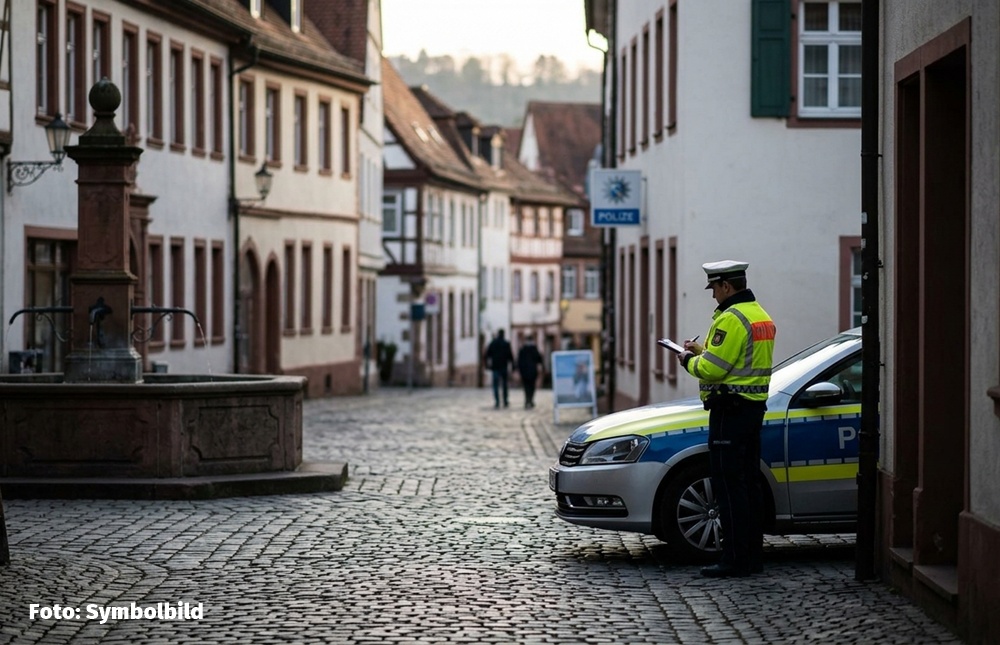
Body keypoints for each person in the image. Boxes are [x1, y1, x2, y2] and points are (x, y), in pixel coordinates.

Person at [676, 260, 775, 578]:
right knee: (748, 485)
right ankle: (752, 556)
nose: (713, 296)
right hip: (752, 408)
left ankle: (733, 559)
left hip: (729, 411)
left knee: (728, 485)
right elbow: (738, 359)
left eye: (715, 289)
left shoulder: (731, 318)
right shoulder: (760, 316)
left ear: (726, 286)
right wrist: (704, 349)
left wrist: (689, 360)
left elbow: (714, 370)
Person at [484, 329, 515, 408]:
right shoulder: (506, 344)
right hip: (503, 366)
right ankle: (505, 400)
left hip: (495, 367)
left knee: (495, 385)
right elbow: (510, 356)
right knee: (504, 384)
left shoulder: (493, 343)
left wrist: (487, 364)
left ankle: (497, 401)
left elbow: (487, 355)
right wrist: (513, 365)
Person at [516, 337, 544, 409]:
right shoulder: (534, 349)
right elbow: (539, 359)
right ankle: (530, 400)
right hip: (532, 371)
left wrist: (519, 370)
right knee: (532, 386)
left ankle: (527, 400)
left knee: (526, 387)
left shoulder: (522, 350)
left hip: (524, 371)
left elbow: (519, 361)